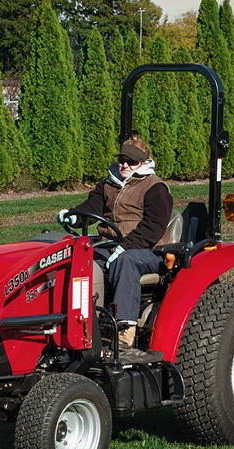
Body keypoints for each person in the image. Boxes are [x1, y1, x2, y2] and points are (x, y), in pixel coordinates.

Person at [57, 136, 173, 348]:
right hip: (109, 246)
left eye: (131, 161)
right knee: (77, 259)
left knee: (125, 261)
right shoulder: (109, 184)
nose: (125, 165)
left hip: (147, 251)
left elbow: (153, 227)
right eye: (122, 160)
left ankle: (124, 330)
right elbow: (92, 208)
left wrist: (124, 247)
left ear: (143, 163)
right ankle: (74, 319)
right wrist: (74, 216)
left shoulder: (155, 188)